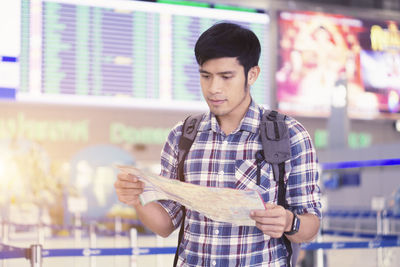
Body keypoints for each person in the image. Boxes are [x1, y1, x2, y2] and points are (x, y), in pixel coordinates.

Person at [114, 22, 321, 266]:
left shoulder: (290, 135)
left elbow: (311, 225)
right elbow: (166, 224)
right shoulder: (182, 136)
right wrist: (136, 198)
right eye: (206, 76)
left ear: (252, 74)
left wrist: (289, 222)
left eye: (226, 77)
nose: (214, 88)